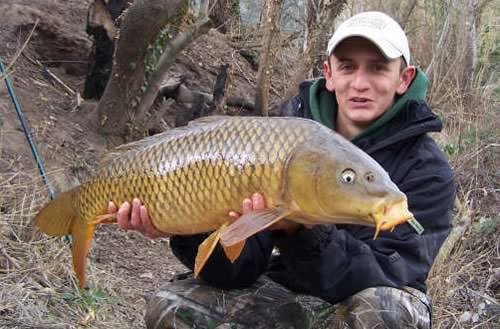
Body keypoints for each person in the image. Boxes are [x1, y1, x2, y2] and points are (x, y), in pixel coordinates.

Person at [107, 11, 456, 328]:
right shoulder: (279, 136)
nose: (360, 83)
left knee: (383, 314)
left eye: (378, 67)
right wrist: (186, 220)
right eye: (348, 67)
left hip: (365, 301)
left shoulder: (427, 170)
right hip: (286, 292)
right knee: (173, 308)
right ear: (329, 74)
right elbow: (239, 270)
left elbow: (390, 272)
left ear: (404, 78)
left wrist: (298, 229)